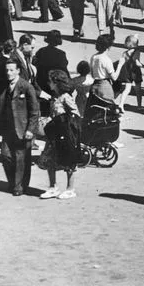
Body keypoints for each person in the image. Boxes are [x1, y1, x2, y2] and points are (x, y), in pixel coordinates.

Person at [0, 58, 39, 197]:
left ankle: (19, 186)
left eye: (11, 70)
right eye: (7, 70)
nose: (8, 73)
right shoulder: (5, 86)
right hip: (7, 129)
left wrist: (30, 129)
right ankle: (13, 182)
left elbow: (34, 111)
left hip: (23, 129)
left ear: (18, 71)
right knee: (6, 156)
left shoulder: (26, 87)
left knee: (21, 159)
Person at [38, 70, 82, 200]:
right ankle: (53, 187)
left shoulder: (66, 97)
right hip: (54, 133)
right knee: (50, 159)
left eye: (50, 81)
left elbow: (75, 114)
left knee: (69, 161)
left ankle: (70, 189)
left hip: (65, 133)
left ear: (56, 83)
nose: (48, 83)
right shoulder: (55, 96)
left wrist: (67, 123)